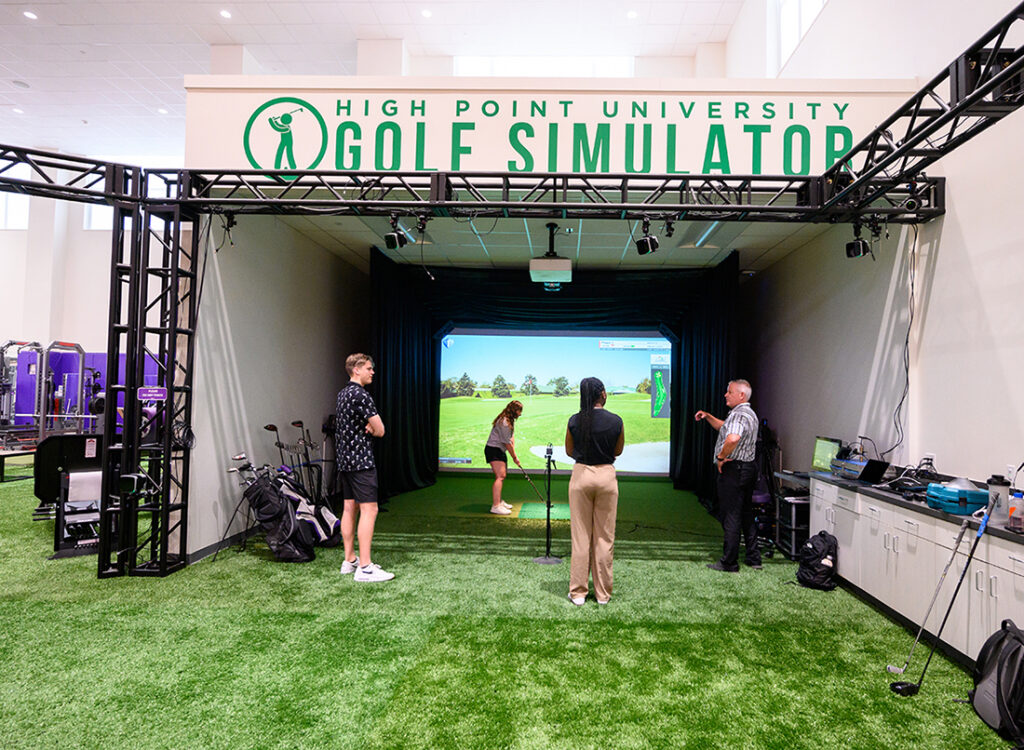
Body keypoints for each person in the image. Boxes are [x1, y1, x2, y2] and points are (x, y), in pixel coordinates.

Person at [564, 377, 624, 606]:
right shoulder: (616, 421)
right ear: (602, 394)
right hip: (607, 477)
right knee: (604, 537)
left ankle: (578, 593)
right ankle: (602, 595)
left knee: (580, 537)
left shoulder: (574, 420)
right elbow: (617, 450)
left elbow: (570, 451)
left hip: (581, 476)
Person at [336, 353, 394, 582]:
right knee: (370, 510)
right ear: (356, 369)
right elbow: (380, 430)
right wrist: (372, 428)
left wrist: (368, 427)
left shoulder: (342, 394)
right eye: (369, 368)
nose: (372, 372)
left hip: (345, 461)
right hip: (361, 461)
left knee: (350, 508)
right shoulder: (361, 395)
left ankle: (350, 560)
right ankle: (366, 567)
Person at [695, 379, 761, 573]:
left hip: (735, 471)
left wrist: (721, 457)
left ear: (741, 395)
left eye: (729, 392)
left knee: (731, 515)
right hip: (748, 469)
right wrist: (708, 416)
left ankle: (729, 562)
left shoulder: (739, 415)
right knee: (747, 513)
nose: (725, 394)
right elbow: (726, 428)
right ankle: (753, 557)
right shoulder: (748, 413)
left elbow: (733, 437)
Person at [484, 400, 523, 516]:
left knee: (502, 475)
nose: (520, 414)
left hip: (499, 449)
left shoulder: (508, 419)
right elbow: (507, 443)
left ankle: (499, 502)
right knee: (500, 476)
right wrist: (515, 458)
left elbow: (511, 438)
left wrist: (513, 448)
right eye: (519, 411)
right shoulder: (505, 422)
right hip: (494, 449)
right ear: (514, 410)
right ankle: (495, 506)